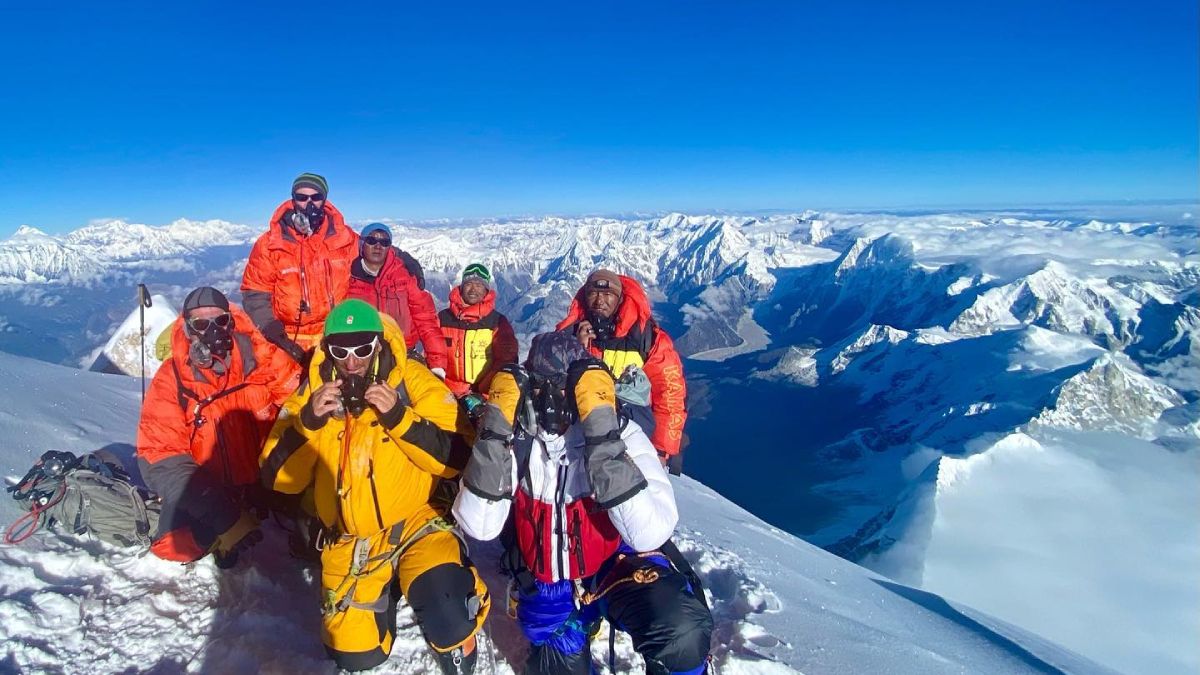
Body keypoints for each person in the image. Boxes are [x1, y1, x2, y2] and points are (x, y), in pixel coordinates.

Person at [453, 331, 713, 675]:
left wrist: (602, 440)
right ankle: (575, 628)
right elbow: (479, 524)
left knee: (680, 632)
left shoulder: (623, 433)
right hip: (552, 580)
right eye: (541, 384)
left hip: (615, 566)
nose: (550, 399)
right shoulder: (518, 442)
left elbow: (650, 533)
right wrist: (495, 432)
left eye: (562, 385)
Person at [259, 299, 489, 674]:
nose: (352, 361)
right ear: (328, 349)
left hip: (417, 521)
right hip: (354, 539)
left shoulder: (412, 382)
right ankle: (392, 586)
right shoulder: (312, 394)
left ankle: (449, 602)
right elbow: (276, 478)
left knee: (449, 612)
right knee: (355, 653)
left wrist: (400, 419)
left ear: (379, 345)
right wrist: (309, 424)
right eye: (341, 350)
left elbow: (458, 459)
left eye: (363, 349)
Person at [136, 287, 300, 565]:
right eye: (201, 324)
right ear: (188, 330)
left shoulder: (262, 357)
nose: (213, 331)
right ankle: (221, 531)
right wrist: (220, 514)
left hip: (266, 475)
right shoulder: (171, 379)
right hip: (212, 486)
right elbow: (160, 456)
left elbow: (300, 402)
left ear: (232, 321)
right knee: (174, 543)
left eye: (220, 321)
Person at [556, 270, 688, 472]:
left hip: (632, 446)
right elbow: (552, 382)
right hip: (577, 444)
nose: (600, 300)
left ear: (620, 299)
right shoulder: (570, 334)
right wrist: (576, 349)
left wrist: (661, 450)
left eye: (608, 294)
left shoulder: (648, 339)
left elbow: (670, 395)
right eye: (593, 294)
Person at [241, 172, 358, 363]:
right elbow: (255, 295)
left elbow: (372, 253)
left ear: (324, 200)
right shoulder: (270, 244)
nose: (309, 204)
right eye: (302, 197)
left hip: (337, 333)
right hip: (288, 339)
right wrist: (276, 335)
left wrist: (403, 259)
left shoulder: (344, 238)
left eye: (316, 197)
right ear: (293, 200)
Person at [346, 222, 450, 378]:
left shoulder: (405, 277)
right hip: (361, 358)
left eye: (384, 242)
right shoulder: (347, 280)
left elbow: (426, 321)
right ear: (361, 244)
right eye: (371, 240)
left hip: (404, 355)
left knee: (433, 398)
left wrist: (437, 365)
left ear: (390, 248)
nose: (378, 246)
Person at [438, 262, 519, 402]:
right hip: (447, 391)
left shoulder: (497, 322)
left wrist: (482, 392)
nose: (473, 289)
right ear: (462, 287)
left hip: (485, 394)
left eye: (479, 285)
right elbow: (432, 354)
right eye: (469, 284)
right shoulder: (443, 319)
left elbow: (506, 361)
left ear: (486, 290)